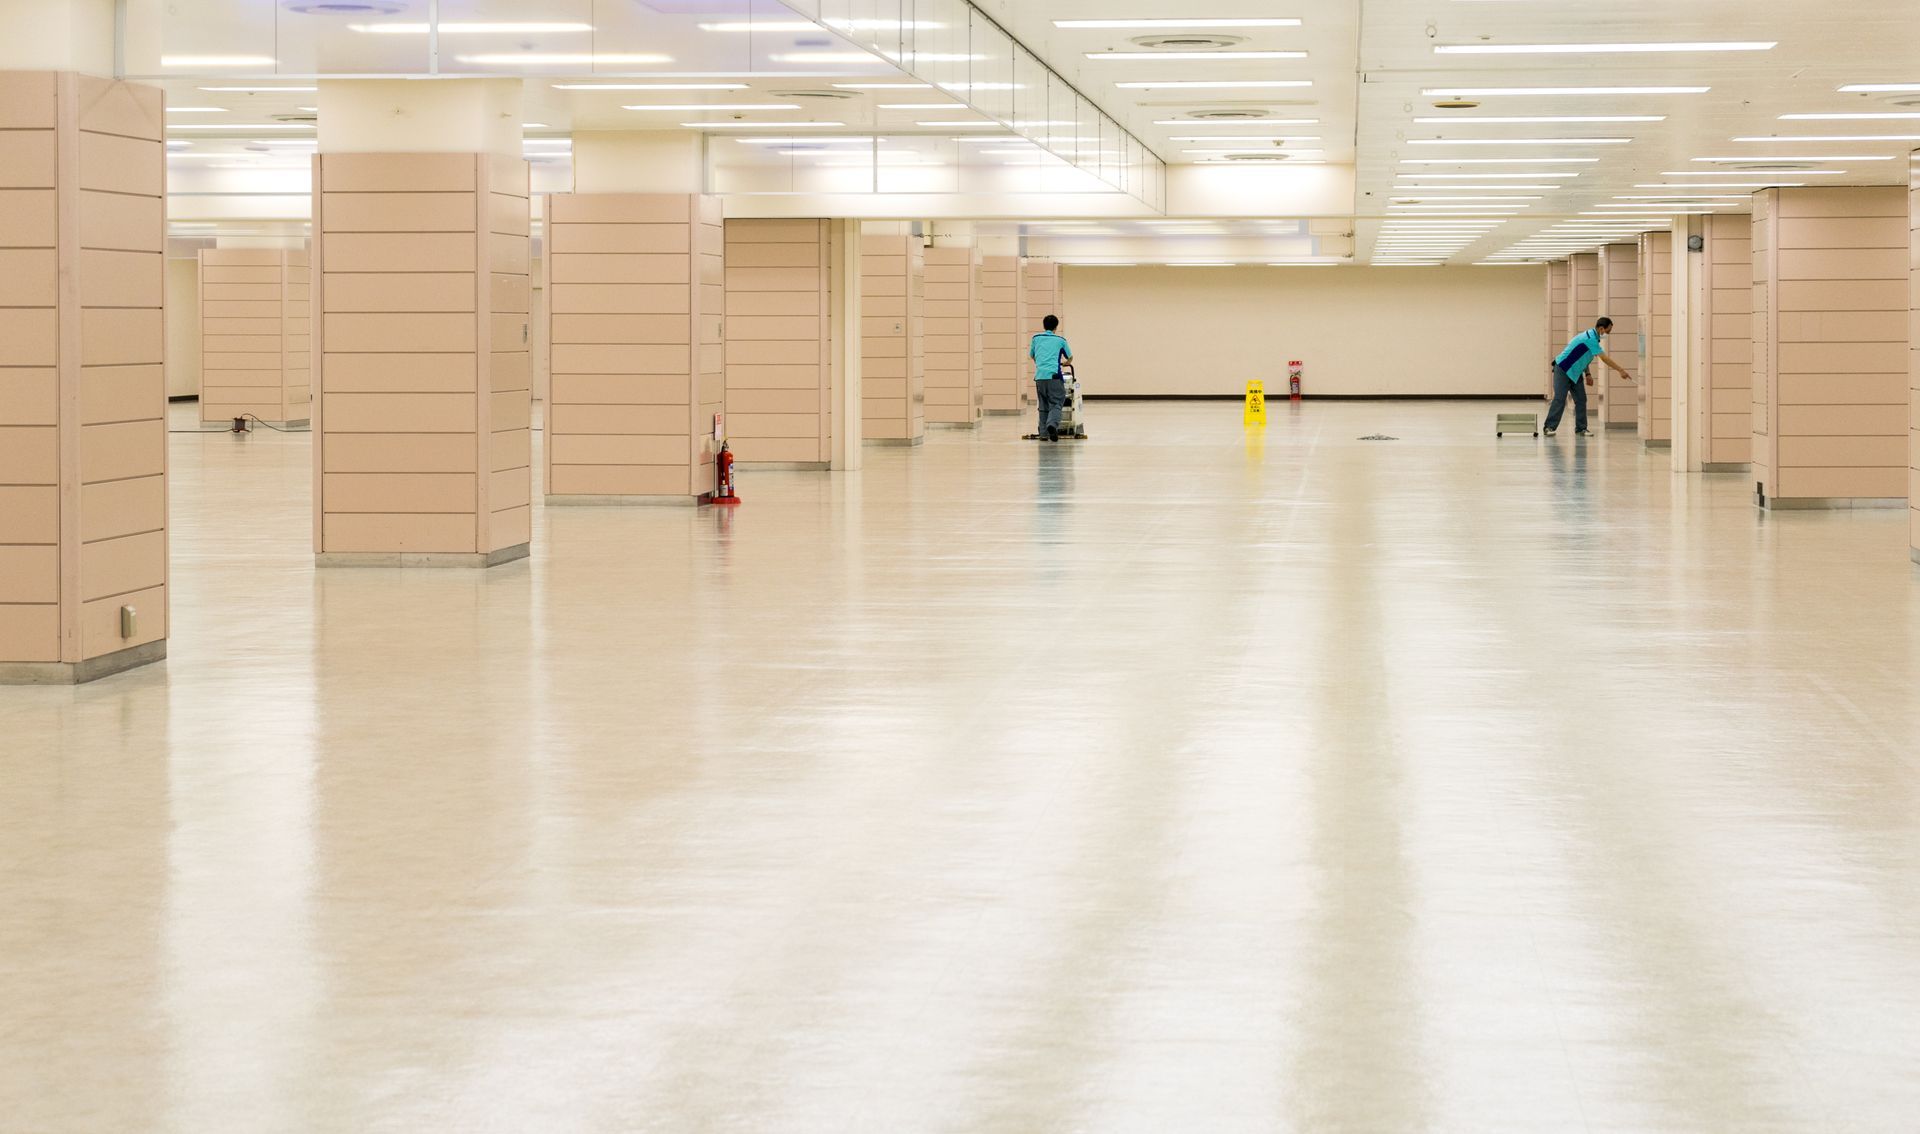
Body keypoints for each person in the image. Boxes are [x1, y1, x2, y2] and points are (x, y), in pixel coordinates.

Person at [1546, 316, 1632, 437]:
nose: (1607, 334)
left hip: (1575, 372)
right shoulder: (1590, 338)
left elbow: (1583, 357)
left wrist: (1588, 374)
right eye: (1607, 331)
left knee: (1581, 399)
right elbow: (1604, 358)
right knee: (1560, 398)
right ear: (1601, 329)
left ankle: (1581, 429)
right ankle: (1549, 427)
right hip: (1563, 369)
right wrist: (1621, 370)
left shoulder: (1593, 337)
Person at [1029, 314, 1072, 442]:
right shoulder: (1060, 340)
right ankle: (1052, 425)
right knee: (1056, 402)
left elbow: (1032, 355)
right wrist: (1065, 363)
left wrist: (1041, 364)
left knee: (1043, 405)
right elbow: (1070, 357)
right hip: (1054, 376)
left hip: (1040, 377)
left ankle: (1043, 434)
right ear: (1056, 327)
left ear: (1044, 326)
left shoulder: (1036, 338)